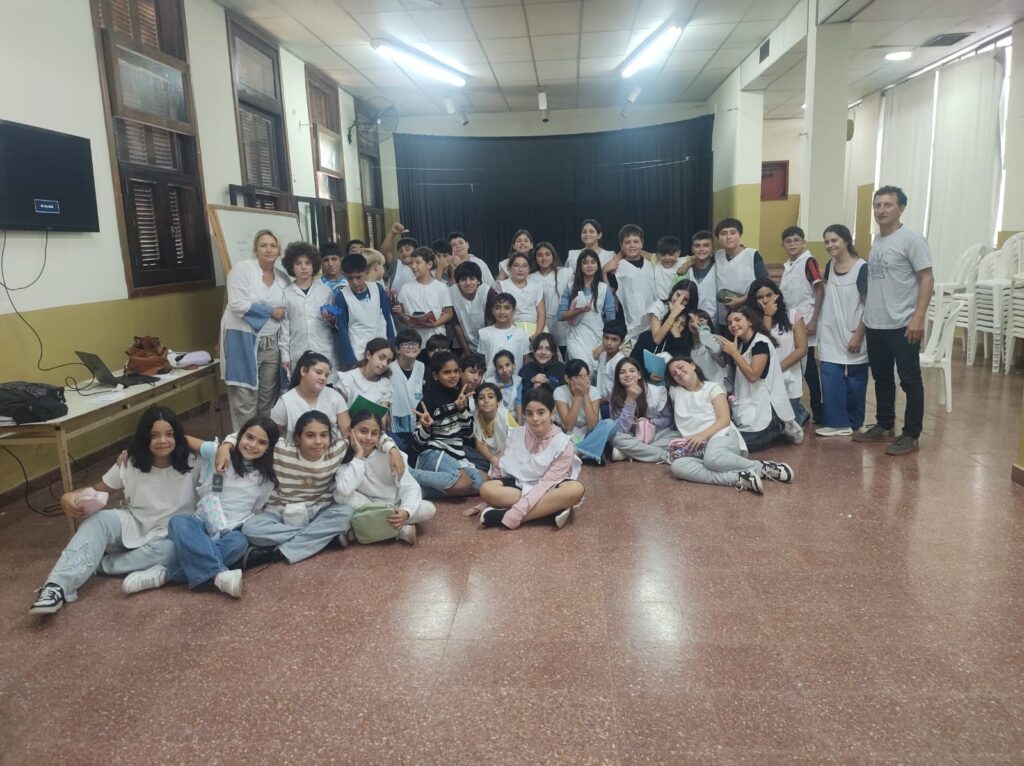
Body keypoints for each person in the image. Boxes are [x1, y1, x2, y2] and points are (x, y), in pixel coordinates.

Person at [30, 407, 197, 614]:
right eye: (154, 435)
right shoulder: (130, 462)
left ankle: (99, 564)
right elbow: (98, 488)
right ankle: (55, 587)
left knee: (172, 551)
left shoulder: (193, 461)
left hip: (170, 534)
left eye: (169, 434)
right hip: (134, 523)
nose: (162, 441)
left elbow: (217, 450)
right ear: (144, 437)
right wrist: (68, 497)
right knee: (100, 520)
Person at [121, 416, 281, 599]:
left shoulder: (266, 478)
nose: (253, 445)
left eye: (262, 442)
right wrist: (134, 448)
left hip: (230, 530)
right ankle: (220, 574)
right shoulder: (218, 453)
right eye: (249, 437)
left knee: (238, 543)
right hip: (202, 522)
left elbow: (257, 508)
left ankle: (164, 574)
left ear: (269, 448)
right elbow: (179, 436)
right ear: (240, 435)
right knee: (179, 522)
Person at [224, 410, 403, 566]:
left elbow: (372, 433)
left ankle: (275, 553)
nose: (318, 441)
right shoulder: (280, 450)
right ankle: (324, 538)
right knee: (251, 529)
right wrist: (225, 446)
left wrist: (392, 449)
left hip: (318, 511)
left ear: (330, 437)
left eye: (324, 435)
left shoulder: (338, 448)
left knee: (345, 513)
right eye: (310, 436)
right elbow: (245, 435)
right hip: (279, 512)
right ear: (297, 438)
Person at [853, 185, 934, 455]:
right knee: (882, 378)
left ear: (901, 208)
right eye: (877, 205)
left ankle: (911, 434)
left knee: (909, 380)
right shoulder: (878, 241)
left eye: (888, 205)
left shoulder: (911, 239)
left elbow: (926, 277)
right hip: (876, 323)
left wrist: (918, 317)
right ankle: (885, 425)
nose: (881, 210)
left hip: (903, 324)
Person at [664, 357, 792, 494]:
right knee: (677, 467)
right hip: (697, 448)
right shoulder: (675, 391)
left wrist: (701, 436)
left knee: (712, 458)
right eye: (673, 373)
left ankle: (762, 468)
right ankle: (737, 478)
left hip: (721, 436)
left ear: (692, 365)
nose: (678, 373)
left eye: (680, 367)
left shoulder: (713, 388)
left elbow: (724, 419)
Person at [476, 386, 585, 530]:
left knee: (575, 489)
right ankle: (551, 510)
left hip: (550, 487)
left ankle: (503, 515)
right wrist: (486, 502)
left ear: (552, 414)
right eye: (529, 413)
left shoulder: (563, 444)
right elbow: (503, 465)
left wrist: (516, 514)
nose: (535, 419)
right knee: (487, 489)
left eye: (541, 412)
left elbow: (547, 483)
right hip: (520, 484)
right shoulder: (516, 434)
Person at [219, 229, 290, 429]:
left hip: (272, 344)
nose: (268, 249)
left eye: (273, 245)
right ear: (256, 249)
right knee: (244, 399)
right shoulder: (242, 270)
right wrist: (270, 312)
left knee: (268, 399)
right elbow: (236, 303)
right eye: (263, 245)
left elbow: (286, 313)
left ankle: (264, 440)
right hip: (243, 342)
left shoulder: (283, 278)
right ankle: (244, 441)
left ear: (279, 251)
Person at [335, 411, 435, 546]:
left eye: (374, 433)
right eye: (363, 431)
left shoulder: (391, 455)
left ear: (380, 435)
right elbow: (344, 490)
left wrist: (406, 512)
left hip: (395, 507)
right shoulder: (345, 458)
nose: (368, 438)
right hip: (367, 506)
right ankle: (400, 531)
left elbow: (410, 486)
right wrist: (358, 456)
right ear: (350, 430)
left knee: (428, 509)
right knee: (339, 494)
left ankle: (362, 530)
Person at [718, 306, 801, 451]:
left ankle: (779, 426)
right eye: (730, 322)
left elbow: (753, 376)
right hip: (751, 408)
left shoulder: (760, 343)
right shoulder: (742, 345)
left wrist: (734, 353)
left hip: (767, 410)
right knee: (726, 439)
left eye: (737, 320)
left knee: (734, 445)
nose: (733, 325)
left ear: (750, 321)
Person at [409, 352, 488, 499]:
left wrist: (462, 410)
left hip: (456, 455)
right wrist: (425, 427)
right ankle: (408, 473)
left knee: (484, 482)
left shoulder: (460, 397)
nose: (453, 376)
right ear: (435, 375)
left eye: (456, 371)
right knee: (464, 484)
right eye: (446, 372)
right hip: (432, 453)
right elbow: (417, 443)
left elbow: (469, 434)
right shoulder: (428, 402)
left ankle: (423, 491)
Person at [816, 224, 870, 437]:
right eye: (827, 242)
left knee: (856, 378)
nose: (830, 245)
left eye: (834, 240)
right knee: (830, 374)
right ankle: (837, 423)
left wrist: (859, 334)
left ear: (846, 241)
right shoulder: (830, 265)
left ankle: (854, 422)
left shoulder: (861, 268)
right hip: (831, 330)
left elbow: (869, 305)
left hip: (855, 330)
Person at [746, 277, 809, 426]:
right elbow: (764, 343)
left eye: (769, 295)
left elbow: (802, 349)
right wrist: (767, 315)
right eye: (760, 297)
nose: (765, 300)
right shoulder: (750, 321)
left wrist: (777, 369)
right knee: (769, 425)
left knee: (788, 427)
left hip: (789, 379)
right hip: (764, 382)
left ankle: (801, 412)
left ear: (777, 295)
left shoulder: (793, 315)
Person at [779, 226, 825, 423]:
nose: (792, 244)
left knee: (809, 369)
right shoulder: (788, 266)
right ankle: (798, 408)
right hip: (792, 322)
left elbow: (820, 289)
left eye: (796, 240)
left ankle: (818, 410)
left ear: (803, 242)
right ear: (783, 245)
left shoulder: (808, 261)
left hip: (807, 322)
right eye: (788, 241)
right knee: (798, 368)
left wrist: (814, 319)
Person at [608, 357, 676, 463]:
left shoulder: (656, 391)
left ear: (639, 374)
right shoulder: (614, 396)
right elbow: (620, 430)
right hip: (631, 437)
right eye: (622, 372)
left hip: (655, 434)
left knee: (676, 436)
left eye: (632, 371)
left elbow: (668, 420)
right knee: (615, 438)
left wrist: (650, 421)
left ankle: (628, 453)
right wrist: (630, 400)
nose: (627, 375)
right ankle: (663, 455)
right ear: (618, 377)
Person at [281, 241, 337, 371]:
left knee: (325, 380)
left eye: (308, 263)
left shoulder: (326, 291)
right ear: (291, 267)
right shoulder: (286, 294)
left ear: (314, 265)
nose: (303, 267)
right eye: (298, 263)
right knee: (302, 380)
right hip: (298, 352)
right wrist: (285, 356)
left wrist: (331, 318)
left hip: (323, 349)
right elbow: (284, 329)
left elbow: (336, 322)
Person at [270, 350, 350, 440]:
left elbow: (348, 434)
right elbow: (271, 438)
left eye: (326, 375)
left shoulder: (334, 396)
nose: (323, 378)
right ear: (303, 371)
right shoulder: (285, 402)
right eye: (318, 372)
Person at [335, 252, 395, 368]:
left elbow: (387, 318)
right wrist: (351, 360)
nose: (355, 282)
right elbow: (342, 329)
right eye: (350, 278)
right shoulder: (341, 297)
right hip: (358, 353)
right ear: (344, 275)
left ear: (366, 272)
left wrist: (392, 346)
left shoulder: (378, 289)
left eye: (358, 277)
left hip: (382, 348)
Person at [554, 358, 618, 464]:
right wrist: (578, 397)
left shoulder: (593, 391)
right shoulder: (560, 392)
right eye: (578, 377)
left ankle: (578, 453)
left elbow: (592, 425)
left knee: (610, 424)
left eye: (586, 376)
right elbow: (568, 426)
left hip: (591, 434)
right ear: (567, 378)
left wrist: (586, 395)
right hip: (569, 435)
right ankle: (591, 453)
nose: (583, 380)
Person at [560, 250, 616, 364]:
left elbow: (611, 320)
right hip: (576, 338)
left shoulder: (604, 288)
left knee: (598, 371)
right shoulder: (570, 287)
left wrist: (604, 345)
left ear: (598, 266)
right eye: (585, 262)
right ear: (580, 266)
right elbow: (560, 315)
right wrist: (578, 311)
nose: (589, 265)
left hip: (598, 338)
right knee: (583, 369)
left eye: (593, 262)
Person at [604, 223, 656, 343]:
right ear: (621, 245)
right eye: (627, 242)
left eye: (636, 241)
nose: (632, 245)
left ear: (642, 243)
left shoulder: (651, 264)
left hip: (652, 321)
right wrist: (604, 272)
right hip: (628, 321)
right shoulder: (617, 267)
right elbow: (608, 294)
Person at [712, 218, 769, 325]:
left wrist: (742, 300)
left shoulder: (752, 255)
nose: (728, 237)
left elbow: (764, 283)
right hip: (726, 316)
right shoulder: (717, 256)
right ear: (718, 238)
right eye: (723, 233)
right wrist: (688, 264)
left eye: (733, 233)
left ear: (740, 235)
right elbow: (700, 258)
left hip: (750, 313)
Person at [394, 246, 454, 348]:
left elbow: (448, 313)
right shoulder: (405, 288)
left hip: (437, 339)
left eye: (418, 262)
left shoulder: (441, 287)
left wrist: (434, 324)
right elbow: (403, 315)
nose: (413, 266)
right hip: (414, 341)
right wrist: (401, 314)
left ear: (429, 264)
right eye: (411, 263)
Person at [331, 338, 394, 428]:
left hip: (374, 431)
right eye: (381, 358)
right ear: (368, 355)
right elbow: (337, 412)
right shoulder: (348, 378)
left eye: (388, 361)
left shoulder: (385, 384)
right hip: (348, 428)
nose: (384, 364)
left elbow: (383, 420)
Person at [529, 242, 572, 357]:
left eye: (547, 254)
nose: (544, 258)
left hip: (563, 327)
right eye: (539, 255)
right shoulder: (530, 278)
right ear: (535, 258)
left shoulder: (566, 273)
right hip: (539, 326)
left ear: (553, 255)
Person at [477, 293, 531, 377]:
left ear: (514, 311)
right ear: (492, 310)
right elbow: (481, 361)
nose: (502, 312)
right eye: (498, 308)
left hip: (514, 382)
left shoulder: (521, 334)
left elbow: (526, 361)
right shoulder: (484, 333)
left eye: (507, 308)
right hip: (490, 381)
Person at [389, 329, 425, 451]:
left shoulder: (422, 367)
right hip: (397, 421)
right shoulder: (389, 369)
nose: (411, 347)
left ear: (420, 349)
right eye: (406, 344)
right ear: (397, 349)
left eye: (414, 344)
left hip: (419, 420)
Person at [472, 381, 517, 475]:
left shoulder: (505, 417)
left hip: (507, 455)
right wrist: (493, 458)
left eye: (491, 397)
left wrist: (500, 457)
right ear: (476, 403)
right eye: (481, 398)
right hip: (487, 457)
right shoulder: (475, 417)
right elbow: (478, 445)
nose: (486, 401)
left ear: (498, 401)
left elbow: (516, 444)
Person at [496, 252, 545, 338]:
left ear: (529, 269)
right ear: (509, 268)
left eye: (524, 266)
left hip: (535, 328)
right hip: (510, 327)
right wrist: (516, 333)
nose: (521, 269)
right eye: (516, 265)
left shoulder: (537, 286)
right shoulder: (502, 285)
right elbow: (500, 312)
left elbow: (541, 314)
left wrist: (537, 335)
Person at [676, 229, 718, 319]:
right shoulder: (686, 269)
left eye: (706, 245)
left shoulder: (719, 268)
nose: (701, 249)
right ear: (692, 249)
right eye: (697, 246)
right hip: (689, 318)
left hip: (714, 319)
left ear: (712, 248)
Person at [449, 261, 490, 354]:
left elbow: (491, 323)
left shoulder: (488, 292)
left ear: (478, 281)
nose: (468, 283)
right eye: (463, 279)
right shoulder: (451, 293)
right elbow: (455, 324)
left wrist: (486, 350)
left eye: (472, 279)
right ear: (457, 282)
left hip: (487, 344)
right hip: (465, 345)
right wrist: (466, 351)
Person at [687, 309, 731, 391]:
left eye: (701, 321)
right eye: (692, 321)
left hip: (719, 387)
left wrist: (701, 328)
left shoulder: (715, 338)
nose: (696, 323)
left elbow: (715, 349)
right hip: (700, 390)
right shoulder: (688, 347)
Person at [595, 321, 627, 410]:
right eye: (606, 338)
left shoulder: (621, 362)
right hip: (598, 399)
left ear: (622, 342)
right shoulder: (602, 355)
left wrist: (599, 402)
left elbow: (621, 392)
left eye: (614, 339)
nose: (608, 343)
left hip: (612, 405)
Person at [485, 349, 523, 420]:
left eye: (507, 365)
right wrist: (494, 389)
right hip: (495, 417)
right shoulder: (489, 383)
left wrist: (520, 426)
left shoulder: (517, 382)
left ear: (514, 366)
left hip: (513, 417)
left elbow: (518, 405)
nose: (504, 370)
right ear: (496, 370)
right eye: (500, 367)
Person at [651, 235, 684, 301]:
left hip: (677, 302)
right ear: (658, 253)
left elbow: (698, 257)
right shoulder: (656, 261)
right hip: (660, 303)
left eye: (671, 254)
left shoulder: (684, 261)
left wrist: (687, 264)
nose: (667, 258)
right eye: (663, 255)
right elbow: (640, 252)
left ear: (678, 253)